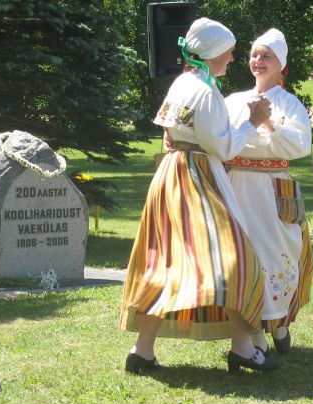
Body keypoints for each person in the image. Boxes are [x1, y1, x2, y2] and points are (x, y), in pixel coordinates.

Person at [120, 17, 279, 374]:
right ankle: (243, 348)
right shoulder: (205, 92)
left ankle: (142, 350)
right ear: (213, 52)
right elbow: (222, 147)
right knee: (236, 258)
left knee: (169, 261)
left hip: (171, 174)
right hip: (195, 176)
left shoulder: (183, 83)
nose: (233, 58)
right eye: (229, 52)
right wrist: (252, 122)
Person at [224, 28, 313, 354]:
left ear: (281, 64)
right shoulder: (233, 101)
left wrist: (267, 122)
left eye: (267, 56)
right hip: (236, 186)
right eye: (254, 55)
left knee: (276, 256)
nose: (258, 61)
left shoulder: (290, 104)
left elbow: (299, 145)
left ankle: (279, 321)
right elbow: (219, 139)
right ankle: (255, 337)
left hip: (272, 189)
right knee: (245, 258)